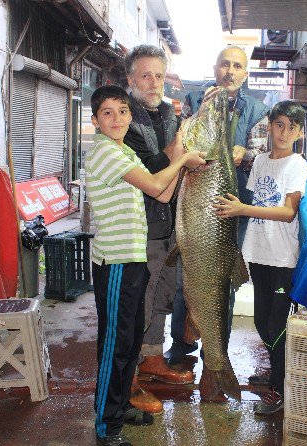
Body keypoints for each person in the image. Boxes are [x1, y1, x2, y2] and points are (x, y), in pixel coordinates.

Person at [85, 85, 205, 446]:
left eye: (123, 111)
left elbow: (163, 194)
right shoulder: (106, 152)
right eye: (108, 113)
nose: (117, 118)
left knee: (132, 337)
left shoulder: (123, 151)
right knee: (116, 343)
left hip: (134, 259)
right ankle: (107, 425)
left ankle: (118, 408)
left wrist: (181, 144)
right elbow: (156, 184)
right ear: (95, 121)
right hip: (117, 260)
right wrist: (182, 161)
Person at [166, 46, 270, 365]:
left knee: (223, 283)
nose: (230, 71)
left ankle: (217, 351)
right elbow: (179, 143)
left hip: (232, 212)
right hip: (196, 210)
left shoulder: (258, 111)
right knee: (188, 277)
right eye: (224, 64)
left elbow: (263, 158)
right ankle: (182, 347)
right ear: (215, 68)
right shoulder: (195, 101)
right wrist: (200, 115)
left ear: (245, 73)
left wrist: (247, 154)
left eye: (237, 66)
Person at [213, 101, 307, 415]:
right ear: (269, 126)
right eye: (279, 124)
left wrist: (242, 209)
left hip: (283, 260)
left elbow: (286, 211)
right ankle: (276, 368)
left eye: (291, 127)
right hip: (258, 254)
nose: (283, 132)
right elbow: (257, 199)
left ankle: (279, 390)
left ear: (299, 132)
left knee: (276, 325)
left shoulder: (297, 164)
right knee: (260, 321)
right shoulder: (261, 162)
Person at [122, 45, 194, 414]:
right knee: (138, 304)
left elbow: (178, 157)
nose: (153, 83)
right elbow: (152, 167)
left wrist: (182, 152)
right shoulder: (122, 117)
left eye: (159, 76)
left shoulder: (169, 113)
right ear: (131, 79)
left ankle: (152, 359)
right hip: (139, 226)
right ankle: (128, 381)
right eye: (145, 75)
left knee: (163, 296)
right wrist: (179, 153)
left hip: (170, 225)